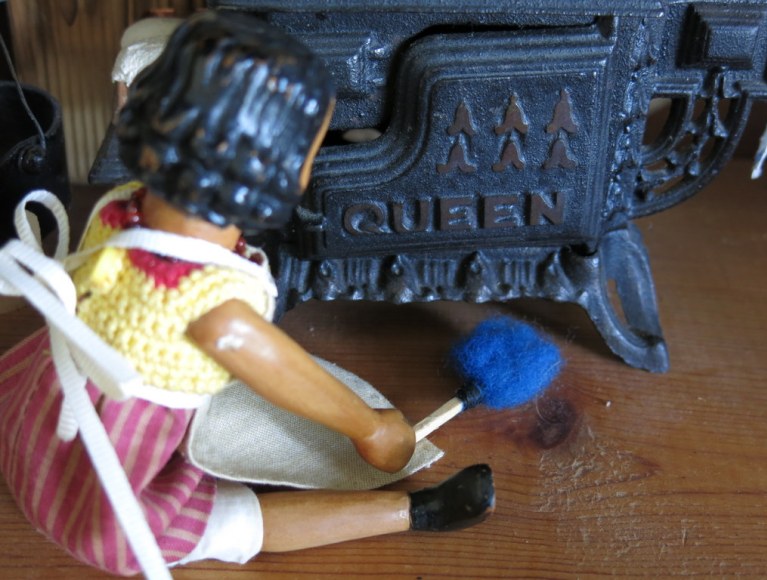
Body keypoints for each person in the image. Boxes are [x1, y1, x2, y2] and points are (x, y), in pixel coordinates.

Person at [0, 10, 493, 576]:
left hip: (46, 399)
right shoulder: (214, 305)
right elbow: (276, 366)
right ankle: (415, 512)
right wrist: (372, 429)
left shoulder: (123, 206)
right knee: (224, 524)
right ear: (279, 168)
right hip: (113, 453)